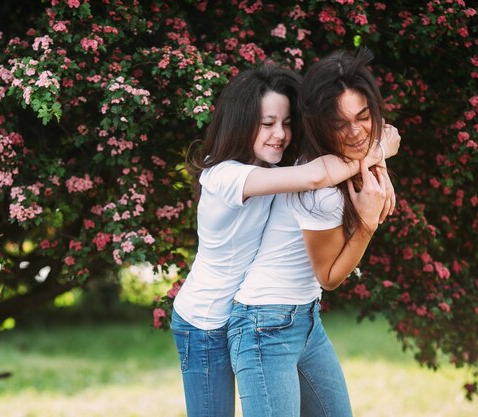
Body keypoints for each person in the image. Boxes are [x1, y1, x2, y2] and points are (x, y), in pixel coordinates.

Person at [171, 60, 400, 417]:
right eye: (267, 124)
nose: (280, 134)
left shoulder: (274, 166)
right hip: (204, 322)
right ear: (241, 123)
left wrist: (377, 148)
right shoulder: (225, 176)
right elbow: (314, 177)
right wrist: (376, 152)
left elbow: (372, 136)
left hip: (257, 313)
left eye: (287, 123)